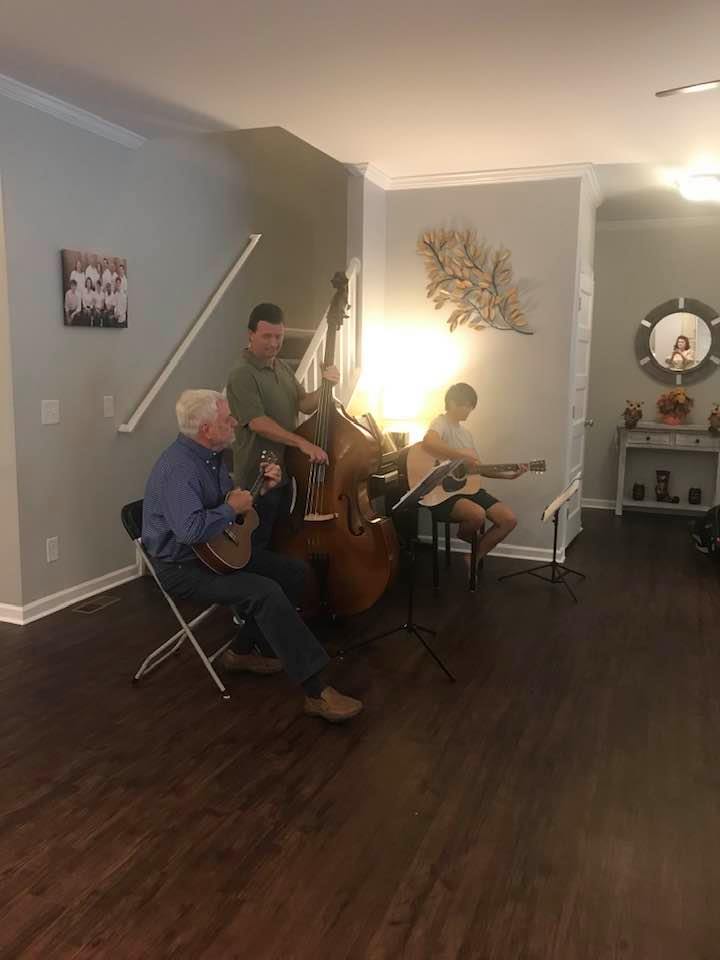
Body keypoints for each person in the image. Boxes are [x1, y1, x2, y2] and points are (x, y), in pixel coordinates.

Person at [141, 389, 363, 723]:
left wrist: (260, 490)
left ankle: (241, 650)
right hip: (183, 566)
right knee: (264, 592)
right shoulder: (179, 469)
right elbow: (189, 530)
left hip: (215, 551)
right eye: (227, 418)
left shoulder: (211, 456)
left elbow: (225, 506)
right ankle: (316, 691)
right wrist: (231, 509)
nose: (235, 422)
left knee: (294, 573)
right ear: (205, 429)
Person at [226, 302, 340, 547]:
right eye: (267, 336)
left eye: (278, 336)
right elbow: (257, 422)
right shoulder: (242, 373)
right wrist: (302, 443)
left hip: (283, 473)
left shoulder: (281, 366)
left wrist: (326, 386)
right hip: (257, 480)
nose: (274, 343)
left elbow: (305, 404)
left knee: (280, 542)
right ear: (251, 334)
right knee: (257, 547)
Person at [421, 382, 526, 567]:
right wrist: (461, 456)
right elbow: (429, 442)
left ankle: (473, 556)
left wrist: (508, 475)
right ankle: (465, 535)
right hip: (443, 493)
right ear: (452, 403)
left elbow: (478, 469)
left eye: (471, 406)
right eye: (466, 405)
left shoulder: (466, 435)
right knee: (477, 514)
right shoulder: (441, 422)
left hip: (467, 489)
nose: (469, 410)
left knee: (508, 519)